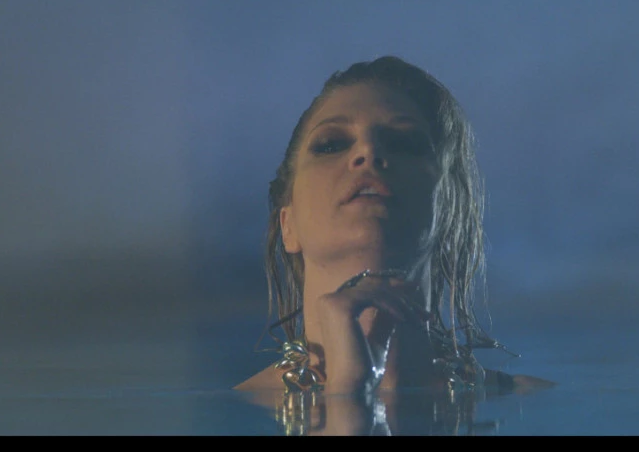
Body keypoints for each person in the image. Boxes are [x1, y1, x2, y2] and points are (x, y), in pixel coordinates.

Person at [235, 55, 552, 409]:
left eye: (404, 143)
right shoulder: (232, 414)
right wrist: (347, 392)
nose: (368, 152)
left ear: (448, 215)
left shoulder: (532, 403)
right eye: (331, 144)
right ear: (288, 225)